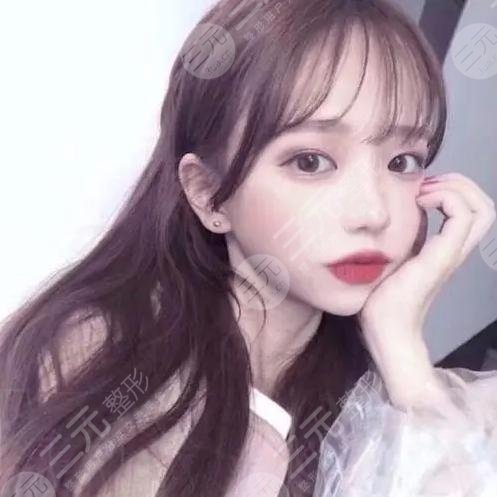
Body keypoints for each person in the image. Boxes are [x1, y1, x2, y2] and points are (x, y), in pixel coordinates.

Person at [1, 0, 496, 496]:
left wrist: (401, 350)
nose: (373, 213)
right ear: (208, 193)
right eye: (310, 161)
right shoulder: (99, 359)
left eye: (402, 162)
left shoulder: (383, 387)